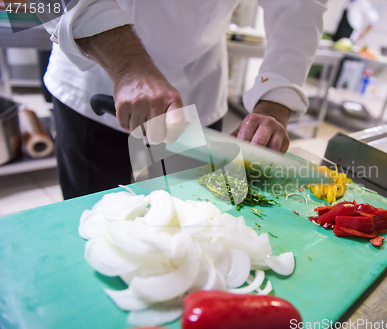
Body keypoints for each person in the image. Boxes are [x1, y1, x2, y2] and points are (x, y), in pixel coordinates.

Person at [43, 0, 327, 199]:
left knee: (195, 218)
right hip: (95, 74)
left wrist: (275, 99)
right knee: (91, 218)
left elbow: (301, 5)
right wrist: (127, 65)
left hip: (197, 83)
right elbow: (41, 3)